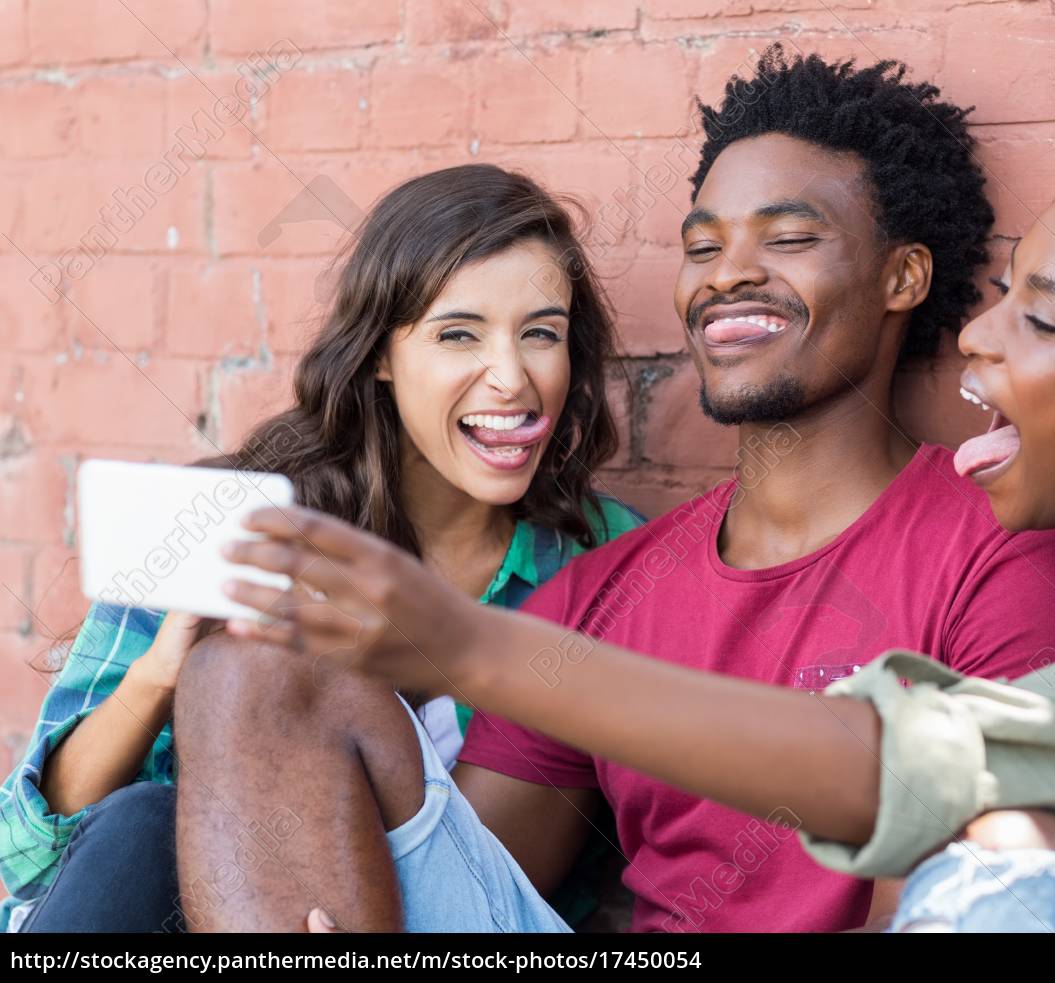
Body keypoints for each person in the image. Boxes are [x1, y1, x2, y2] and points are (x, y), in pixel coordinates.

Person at [231, 155, 1055, 934]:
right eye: (998, 295)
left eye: (1039, 319)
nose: (979, 339)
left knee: (999, 857)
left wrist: (466, 646)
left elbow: (898, 775)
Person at [213, 47, 1055, 933]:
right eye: (703, 246)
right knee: (246, 667)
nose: (727, 274)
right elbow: (475, 896)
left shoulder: (996, 553)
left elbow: (975, 896)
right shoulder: (601, 592)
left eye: (788, 238)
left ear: (902, 276)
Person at [0, 164, 643, 932]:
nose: (510, 377)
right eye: (457, 335)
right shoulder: (239, 520)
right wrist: (161, 672)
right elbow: (28, 857)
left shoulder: (607, 560)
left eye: (541, 333)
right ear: (380, 355)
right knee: (141, 821)